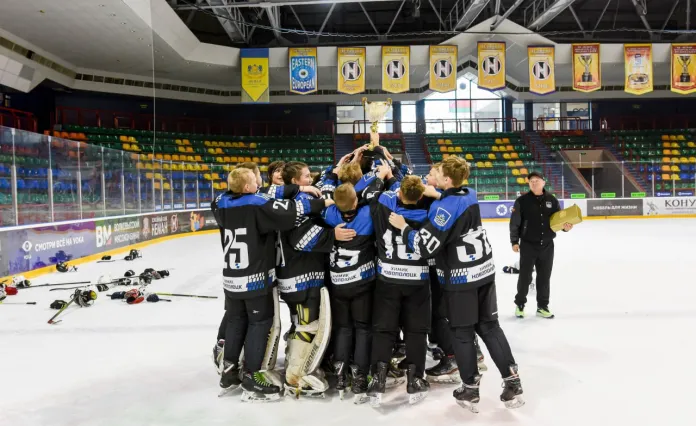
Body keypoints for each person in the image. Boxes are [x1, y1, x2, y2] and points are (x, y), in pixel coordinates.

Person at [389, 156, 524, 412]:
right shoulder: (469, 194)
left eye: (438, 173)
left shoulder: (444, 208)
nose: (434, 176)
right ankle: (513, 381)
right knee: (490, 327)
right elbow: (453, 204)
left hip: (460, 279)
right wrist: (438, 195)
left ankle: (470, 389)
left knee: (462, 333)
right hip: (484, 272)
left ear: (447, 180)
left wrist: (404, 228)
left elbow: (425, 246)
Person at [211, 167, 330, 402]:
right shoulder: (257, 204)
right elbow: (292, 211)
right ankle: (253, 376)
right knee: (260, 323)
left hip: (230, 278)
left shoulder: (220, 201)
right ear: (247, 187)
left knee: (236, 320)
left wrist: (298, 187)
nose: (260, 184)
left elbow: (262, 193)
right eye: (255, 181)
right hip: (254, 279)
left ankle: (229, 370)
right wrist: (322, 203)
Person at [276, 161, 354, 397]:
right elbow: (301, 239)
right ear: (293, 181)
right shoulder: (296, 203)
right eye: (306, 177)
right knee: (306, 325)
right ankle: (296, 376)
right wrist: (333, 235)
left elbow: (322, 191)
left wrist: (333, 172)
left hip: (295, 277)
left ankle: (295, 363)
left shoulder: (294, 202)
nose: (310, 180)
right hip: (300, 278)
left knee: (300, 323)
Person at [367, 176, 432, 406]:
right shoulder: (429, 213)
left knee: (384, 330)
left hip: (388, 279)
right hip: (417, 281)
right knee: (416, 331)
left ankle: (377, 379)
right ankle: (415, 380)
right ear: (421, 195)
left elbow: (381, 194)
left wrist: (388, 177)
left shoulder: (386, 207)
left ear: (401, 194)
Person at [510, 171, 572, 319]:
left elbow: (558, 221)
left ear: (543, 183)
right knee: (525, 277)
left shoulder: (552, 200)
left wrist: (565, 227)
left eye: (537, 180)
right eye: (531, 181)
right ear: (528, 183)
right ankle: (520, 305)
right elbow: (515, 223)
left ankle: (542, 306)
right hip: (528, 245)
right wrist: (514, 241)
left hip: (547, 246)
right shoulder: (522, 201)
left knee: (544, 277)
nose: (534, 183)